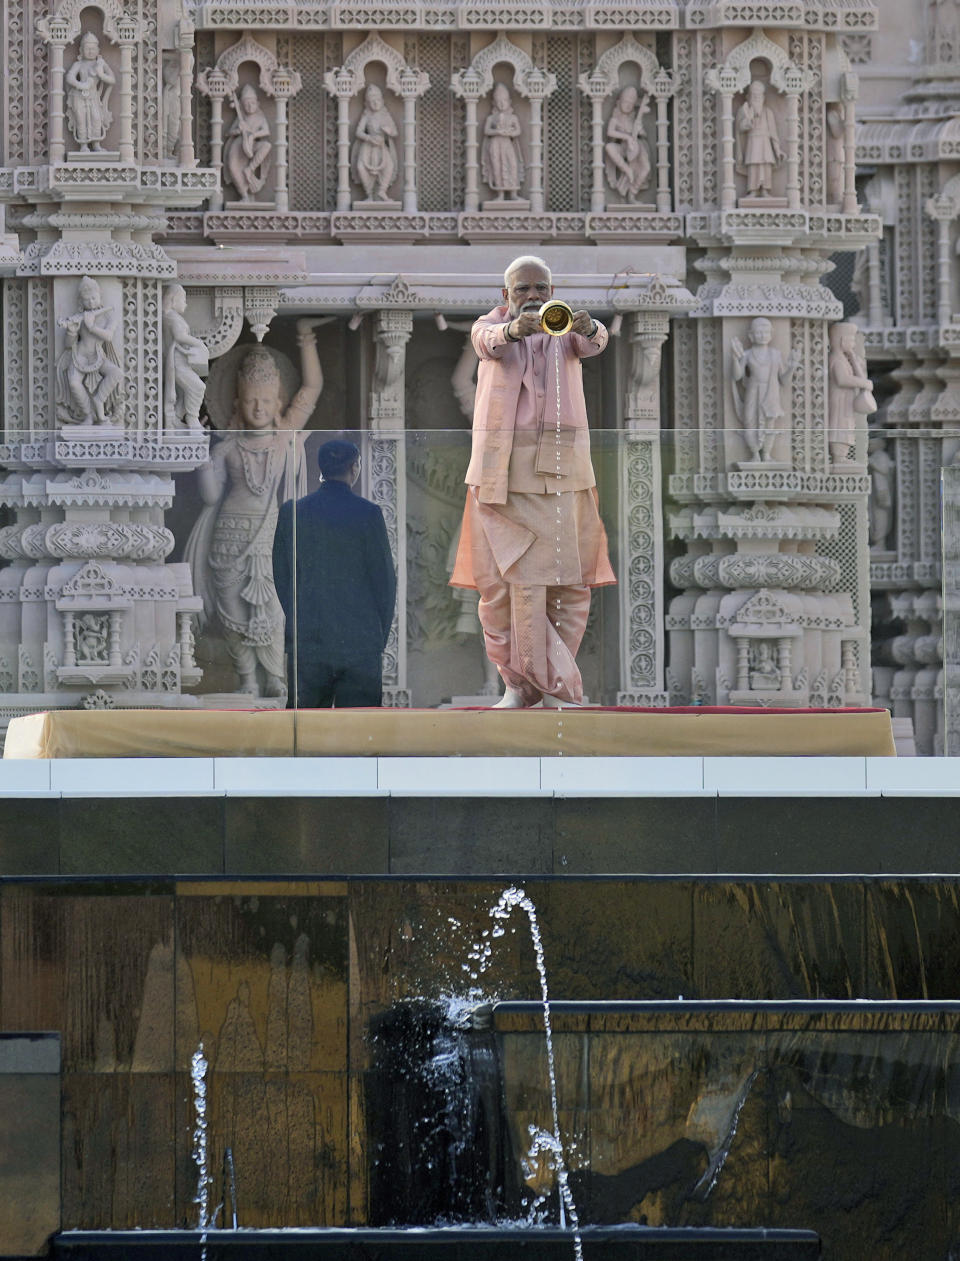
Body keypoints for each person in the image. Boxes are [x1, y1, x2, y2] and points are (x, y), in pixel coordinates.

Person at [450, 255, 616, 708]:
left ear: (552, 291)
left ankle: (557, 685)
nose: (534, 297)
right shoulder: (492, 327)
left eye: (541, 289)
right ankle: (519, 686)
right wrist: (514, 329)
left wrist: (587, 326)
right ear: (506, 296)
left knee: (568, 583)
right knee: (502, 588)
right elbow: (488, 343)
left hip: (562, 476)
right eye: (523, 290)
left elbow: (598, 342)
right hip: (502, 477)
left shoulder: (564, 332)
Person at [186, 321, 327, 697]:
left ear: (279, 401)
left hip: (271, 532)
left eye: (266, 399)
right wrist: (202, 453)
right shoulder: (228, 447)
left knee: (273, 609)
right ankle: (246, 677)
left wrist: (306, 337)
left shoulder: (284, 436)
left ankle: (276, 677)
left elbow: (312, 388)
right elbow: (212, 496)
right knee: (232, 610)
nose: (259, 407)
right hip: (228, 535)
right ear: (236, 403)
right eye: (250, 399)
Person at [272, 440, 396, 708]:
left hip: (308, 639)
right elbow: (385, 583)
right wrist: (378, 637)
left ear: (321, 469)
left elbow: (282, 578)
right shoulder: (369, 513)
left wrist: (299, 616)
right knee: (359, 735)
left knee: (305, 733)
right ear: (355, 468)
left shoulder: (292, 512)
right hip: (359, 643)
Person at [730, 317, 799, 463]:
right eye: (758, 332)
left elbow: (784, 380)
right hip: (753, 393)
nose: (762, 335)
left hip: (771, 393)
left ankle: (766, 454)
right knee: (750, 422)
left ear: (771, 334)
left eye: (765, 332)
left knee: (769, 424)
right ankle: (754, 454)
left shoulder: (775, 354)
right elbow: (737, 376)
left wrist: (792, 366)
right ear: (751, 335)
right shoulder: (747, 355)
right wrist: (735, 359)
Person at [56, 276, 123, 425]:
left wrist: (92, 327)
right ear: (81, 302)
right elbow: (68, 345)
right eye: (87, 299)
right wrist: (71, 332)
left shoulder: (108, 317)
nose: (91, 302)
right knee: (73, 382)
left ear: (100, 296)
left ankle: (99, 399)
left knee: (116, 373)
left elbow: (109, 336)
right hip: (79, 356)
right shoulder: (79, 317)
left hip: (98, 356)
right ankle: (88, 415)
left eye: (94, 298)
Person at [65, 32, 115, 153]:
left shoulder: (100, 64)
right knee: (81, 119)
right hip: (78, 96)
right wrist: (80, 85)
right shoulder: (79, 64)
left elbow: (112, 80)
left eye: (93, 49)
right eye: (87, 49)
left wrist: (101, 74)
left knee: (96, 118)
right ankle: (83, 146)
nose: (90, 51)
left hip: (93, 96)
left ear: (98, 50)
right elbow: (69, 77)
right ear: (81, 50)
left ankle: (96, 144)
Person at [223, 83, 272, 202]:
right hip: (238, 146)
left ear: (258, 104)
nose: (250, 106)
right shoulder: (241, 118)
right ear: (242, 106)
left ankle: (250, 168)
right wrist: (238, 130)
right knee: (234, 169)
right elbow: (228, 133)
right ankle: (244, 195)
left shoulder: (260, 117)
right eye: (246, 104)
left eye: (252, 103)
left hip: (251, 144)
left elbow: (266, 131)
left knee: (266, 145)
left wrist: (253, 134)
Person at [735, 79, 783, 198]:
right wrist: (749, 119)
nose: (756, 98)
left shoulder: (768, 112)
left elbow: (773, 133)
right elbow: (740, 128)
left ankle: (765, 190)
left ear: (763, 97)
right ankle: (753, 190)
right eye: (754, 95)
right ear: (748, 97)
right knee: (753, 165)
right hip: (752, 142)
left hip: (765, 143)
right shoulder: (745, 111)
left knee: (766, 165)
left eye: (759, 95)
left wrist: (777, 150)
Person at [604, 85, 651, 202]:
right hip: (624, 147)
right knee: (609, 147)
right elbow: (610, 132)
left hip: (638, 147)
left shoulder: (634, 119)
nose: (628, 105)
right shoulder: (615, 118)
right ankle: (627, 170)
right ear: (619, 101)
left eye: (631, 103)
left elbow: (644, 135)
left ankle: (632, 193)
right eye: (625, 102)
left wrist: (640, 130)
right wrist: (627, 137)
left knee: (646, 168)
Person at [351, 84, 398, 202]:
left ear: (382, 101)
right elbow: (358, 132)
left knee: (389, 166)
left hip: (381, 146)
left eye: (378, 100)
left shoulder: (385, 115)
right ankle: (369, 195)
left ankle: (382, 191)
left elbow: (394, 132)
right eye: (372, 101)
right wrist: (369, 138)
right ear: (367, 103)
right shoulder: (367, 116)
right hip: (368, 145)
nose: (375, 103)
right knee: (361, 167)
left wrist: (388, 131)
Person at [481, 83, 524, 200]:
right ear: (493, 103)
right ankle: (500, 194)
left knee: (512, 165)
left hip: (507, 143)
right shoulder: (491, 118)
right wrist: (498, 132)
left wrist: (510, 133)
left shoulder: (513, 117)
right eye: (498, 101)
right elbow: (486, 131)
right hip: (495, 144)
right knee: (497, 166)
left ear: (509, 101)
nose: (501, 104)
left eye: (504, 100)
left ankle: (514, 193)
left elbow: (518, 131)